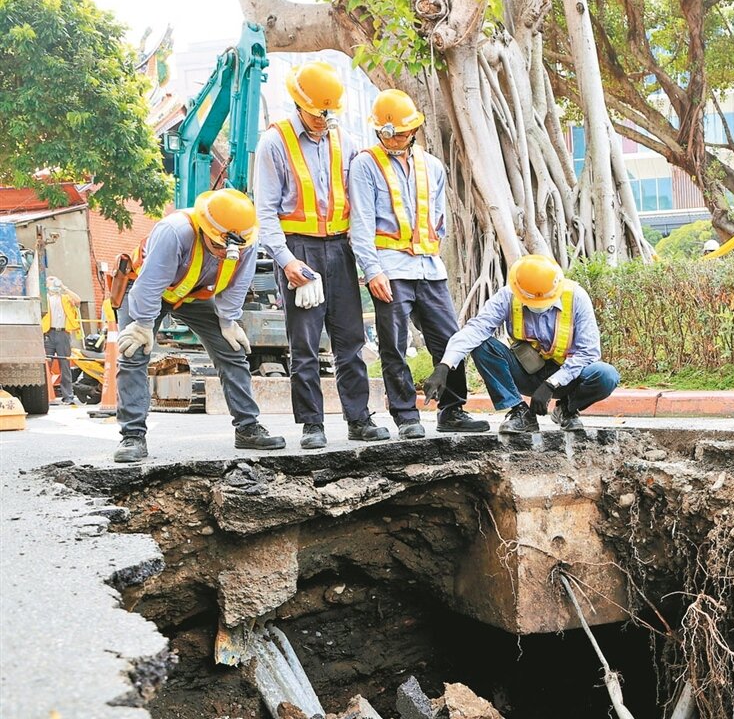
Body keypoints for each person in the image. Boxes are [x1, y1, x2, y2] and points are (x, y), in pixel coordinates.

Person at [349, 88, 517, 438]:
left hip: (429, 268)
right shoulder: (366, 164)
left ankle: (452, 409)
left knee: (449, 338)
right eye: (386, 132)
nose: (394, 138)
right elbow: (361, 223)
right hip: (390, 268)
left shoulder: (432, 166)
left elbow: (438, 218)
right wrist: (372, 270)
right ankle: (406, 416)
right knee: (393, 343)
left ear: (411, 130)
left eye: (399, 132)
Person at [254, 60, 389, 450]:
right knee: (306, 344)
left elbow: (359, 203)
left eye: (329, 114)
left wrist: (365, 259)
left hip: (339, 249)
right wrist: (286, 261)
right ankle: (312, 424)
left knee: (350, 340)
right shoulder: (274, 142)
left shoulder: (342, 140)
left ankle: (359, 418)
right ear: (299, 104)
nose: (323, 120)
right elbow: (265, 211)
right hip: (299, 250)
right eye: (317, 113)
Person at [112, 189, 285, 463]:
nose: (225, 254)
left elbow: (238, 285)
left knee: (232, 351)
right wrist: (143, 324)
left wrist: (228, 321)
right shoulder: (175, 231)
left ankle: (248, 427)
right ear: (205, 229)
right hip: (146, 290)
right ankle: (132, 437)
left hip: (191, 295)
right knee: (133, 352)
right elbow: (149, 283)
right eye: (218, 247)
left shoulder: (247, 240)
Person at [427, 254, 619, 435]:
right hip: (526, 373)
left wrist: (552, 384)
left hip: (567, 378)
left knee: (606, 375)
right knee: (481, 344)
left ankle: (567, 409)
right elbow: (476, 329)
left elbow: (588, 353)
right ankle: (520, 412)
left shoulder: (576, 297)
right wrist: (445, 365)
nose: (539, 303)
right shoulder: (508, 295)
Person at [40, 276, 81, 405]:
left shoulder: (65, 298)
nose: (54, 282)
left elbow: (78, 300)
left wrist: (64, 287)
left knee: (65, 366)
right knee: (46, 365)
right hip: (48, 333)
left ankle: (68, 396)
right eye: (50, 280)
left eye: (55, 280)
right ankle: (45, 395)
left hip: (63, 333)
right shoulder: (44, 299)